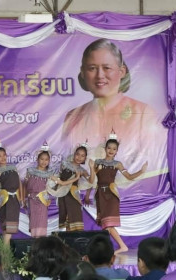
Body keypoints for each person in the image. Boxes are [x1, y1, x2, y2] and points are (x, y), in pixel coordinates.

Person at [62, 38, 166, 172]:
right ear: (83, 72)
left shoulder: (144, 113)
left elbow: (153, 163)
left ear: (121, 71)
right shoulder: (73, 116)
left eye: (107, 68)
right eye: (92, 68)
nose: (100, 75)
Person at [84, 136, 147, 254]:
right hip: (100, 195)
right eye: (109, 148)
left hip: (111, 194)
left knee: (108, 224)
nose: (111, 151)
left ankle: (122, 246)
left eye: (114, 149)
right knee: (105, 224)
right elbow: (92, 180)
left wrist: (141, 171)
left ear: (117, 151)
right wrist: (91, 168)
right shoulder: (98, 162)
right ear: (105, 149)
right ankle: (115, 247)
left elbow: (129, 176)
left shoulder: (118, 164)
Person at [23, 142, 82, 237]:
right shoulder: (30, 171)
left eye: (46, 159)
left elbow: (62, 183)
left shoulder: (49, 174)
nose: (44, 162)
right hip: (32, 201)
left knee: (41, 226)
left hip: (42, 201)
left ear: (49, 161)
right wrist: (23, 199)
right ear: (37, 159)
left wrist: (75, 178)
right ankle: (35, 247)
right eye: (42, 159)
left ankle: (40, 247)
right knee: (34, 226)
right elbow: (25, 185)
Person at [52, 144, 95, 231]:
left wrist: (92, 168)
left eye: (82, 156)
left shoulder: (82, 171)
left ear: (85, 158)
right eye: (78, 154)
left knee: (74, 218)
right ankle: (67, 242)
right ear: (74, 154)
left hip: (73, 195)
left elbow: (91, 181)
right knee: (66, 219)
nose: (79, 157)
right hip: (63, 193)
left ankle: (74, 242)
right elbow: (58, 177)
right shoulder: (64, 164)